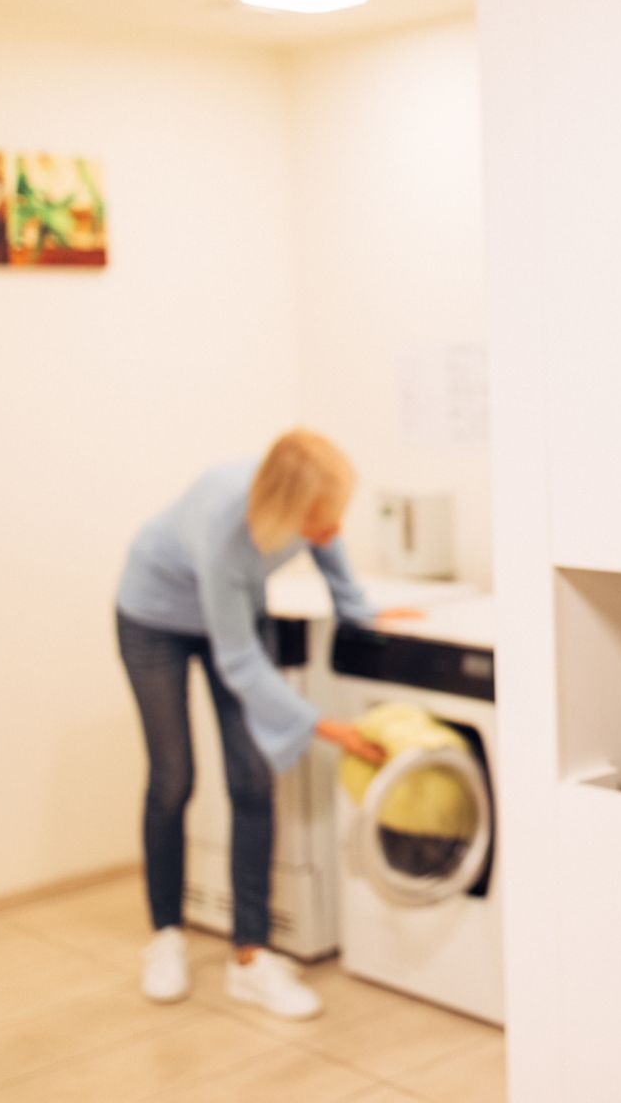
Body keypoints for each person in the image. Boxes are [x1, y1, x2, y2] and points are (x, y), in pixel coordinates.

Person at [116, 429, 412, 1019]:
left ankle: (250, 956)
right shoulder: (225, 521)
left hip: (233, 615)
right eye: (319, 524)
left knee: (251, 778)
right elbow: (239, 660)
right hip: (154, 619)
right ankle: (166, 937)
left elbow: (333, 563)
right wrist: (327, 728)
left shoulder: (310, 500)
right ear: (284, 513)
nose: (330, 533)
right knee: (174, 776)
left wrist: (367, 615)